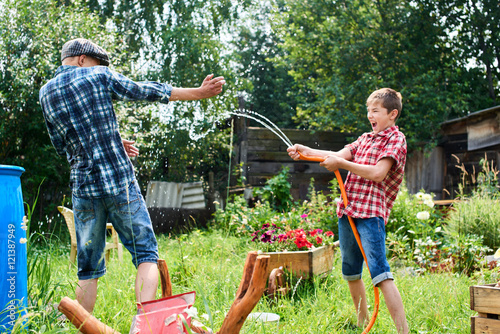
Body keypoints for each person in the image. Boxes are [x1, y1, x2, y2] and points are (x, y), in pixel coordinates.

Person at [39, 38, 226, 313]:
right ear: (82, 59)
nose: (99, 68)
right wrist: (198, 92)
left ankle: (82, 329)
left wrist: (113, 141)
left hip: (84, 190)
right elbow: (142, 90)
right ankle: (143, 327)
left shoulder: (46, 92)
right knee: (146, 255)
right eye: (97, 62)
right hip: (118, 183)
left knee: (88, 271)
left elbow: (62, 145)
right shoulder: (98, 75)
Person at [287, 88, 409, 334]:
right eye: (368, 111)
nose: (370, 115)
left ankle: (403, 331)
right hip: (348, 211)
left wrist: (341, 164)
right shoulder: (364, 139)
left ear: (392, 114)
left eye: (375, 111)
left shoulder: (396, 139)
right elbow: (336, 155)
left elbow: (377, 173)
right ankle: (361, 323)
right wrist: (305, 151)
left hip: (371, 215)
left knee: (381, 273)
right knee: (351, 271)